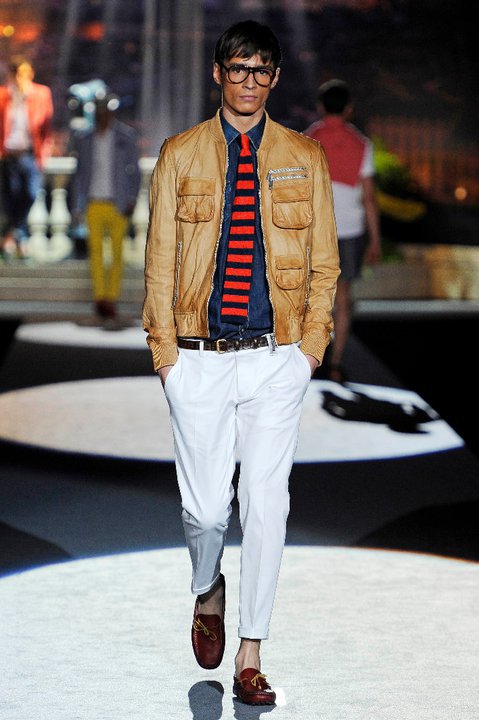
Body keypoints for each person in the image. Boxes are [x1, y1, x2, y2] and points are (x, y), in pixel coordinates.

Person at [142, 20, 339, 705]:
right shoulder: (180, 154)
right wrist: (165, 357)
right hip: (197, 358)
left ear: (274, 78)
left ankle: (251, 652)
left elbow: (324, 265)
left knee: (265, 506)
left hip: (275, 358)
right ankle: (208, 588)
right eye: (238, 68)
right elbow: (160, 261)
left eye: (260, 70)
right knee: (204, 513)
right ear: (218, 74)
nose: (248, 81)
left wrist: (309, 350)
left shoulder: (305, 157)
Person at [304, 79, 381, 382]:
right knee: (344, 296)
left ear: (320, 107)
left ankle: (311, 357)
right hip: (350, 229)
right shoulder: (362, 145)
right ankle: (335, 362)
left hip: (316, 228)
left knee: (314, 294)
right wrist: (375, 240)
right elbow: (369, 198)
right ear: (349, 109)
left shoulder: (308, 140)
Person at [70, 91, 140, 319]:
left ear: (111, 113)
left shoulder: (125, 136)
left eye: (106, 111)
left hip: (118, 203)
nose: (103, 115)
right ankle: (101, 298)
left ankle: (111, 297)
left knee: (117, 253)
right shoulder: (84, 139)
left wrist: (132, 198)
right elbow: (79, 175)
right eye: (99, 111)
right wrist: (76, 207)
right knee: (97, 253)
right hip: (94, 202)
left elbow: (134, 172)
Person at [0, 57, 53, 259]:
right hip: (8, 155)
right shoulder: (4, 95)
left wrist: (44, 153)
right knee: (11, 197)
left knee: (31, 194)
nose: (23, 78)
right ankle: (20, 239)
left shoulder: (41, 94)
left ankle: (11, 235)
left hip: (30, 154)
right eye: (19, 73)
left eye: (26, 73)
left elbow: (46, 128)